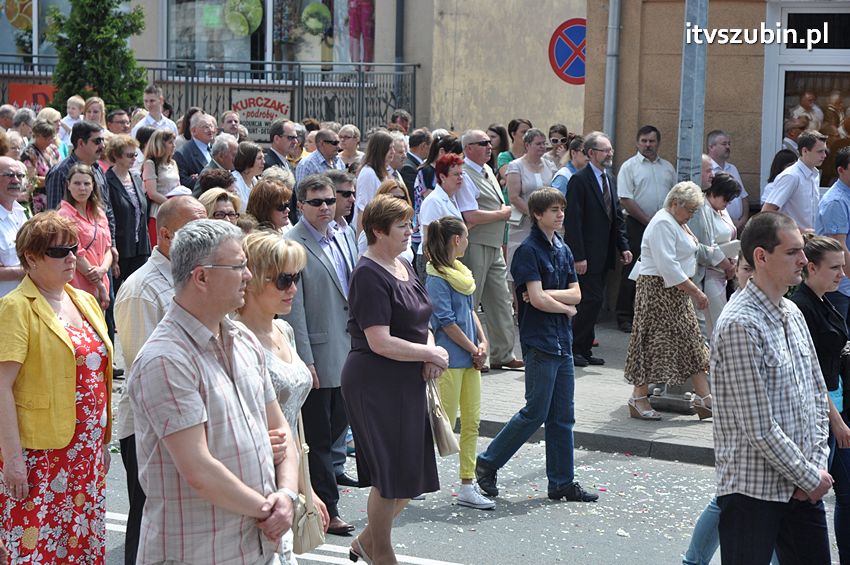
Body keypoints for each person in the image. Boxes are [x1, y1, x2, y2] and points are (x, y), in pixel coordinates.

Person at [127, 219, 299, 563]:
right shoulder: (165, 359)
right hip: (199, 551)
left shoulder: (245, 341)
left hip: (259, 547)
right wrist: (270, 510)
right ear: (201, 277)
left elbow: (282, 432)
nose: (248, 276)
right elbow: (199, 470)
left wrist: (287, 495)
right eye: (238, 267)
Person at [712, 211, 832, 564]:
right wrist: (808, 475)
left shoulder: (793, 312)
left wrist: (815, 466)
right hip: (753, 492)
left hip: (802, 488)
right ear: (761, 257)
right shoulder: (739, 324)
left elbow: (815, 395)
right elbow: (758, 427)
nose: (804, 260)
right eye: (793, 252)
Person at [0, 211, 114, 563]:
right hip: (42, 456)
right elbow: (2, 387)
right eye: (58, 251)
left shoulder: (85, 300)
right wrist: (13, 460)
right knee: (38, 548)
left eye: (73, 248)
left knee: (80, 543)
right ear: (31, 259)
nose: (70, 257)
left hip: (86, 453)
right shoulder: (15, 308)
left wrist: (104, 440)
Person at [341, 194, 447, 564]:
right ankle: (382, 553)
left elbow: (421, 321)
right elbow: (379, 340)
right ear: (377, 230)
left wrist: (430, 351)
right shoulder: (367, 274)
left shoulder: (404, 264)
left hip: (408, 379)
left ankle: (366, 541)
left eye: (410, 223)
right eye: (402, 225)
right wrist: (428, 353)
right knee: (388, 476)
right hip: (376, 381)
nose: (410, 231)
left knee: (408, 474)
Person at [475, 188, 598, 503]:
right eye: (553, 210)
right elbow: (538, 301)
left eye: (562, 209)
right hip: (540, 341)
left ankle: (561, 482)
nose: (560, 214)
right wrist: (561, 304)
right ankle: (487, 463)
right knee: (535, 412)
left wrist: (552, 298)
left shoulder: (563, 248)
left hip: (562, 342)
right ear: (537, 214)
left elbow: (573, 295)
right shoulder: (528, 250)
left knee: (562, 416)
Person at [113, 195, 206, 565]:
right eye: (191, 228)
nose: (202, 235)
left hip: (188, 418)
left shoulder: (193, 277)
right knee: (148, 524)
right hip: (151, 428)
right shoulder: (142, 289)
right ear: (165, 235)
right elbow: (147, 373)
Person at [233, 232, 332, 561]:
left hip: (287, 474)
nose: (293, 289)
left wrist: (305, 487)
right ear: (254, 280)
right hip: (250, 478)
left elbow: (293, 420)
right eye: (284, 280)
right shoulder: (234, 338)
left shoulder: (284, 330)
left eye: (297, 278)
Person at [282, 174, 360, 536]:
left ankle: (321, 497)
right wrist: (305, 359)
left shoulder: (343, 234)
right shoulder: (292, 242)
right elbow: (293, 309)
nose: (326, 207)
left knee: (335, 432)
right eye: (316, 202)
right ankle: (327, 507)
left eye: (330, 200)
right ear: (300, 206)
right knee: (318, 437)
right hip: (316, 352)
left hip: (346, 350)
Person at [623, 182, 712, 420]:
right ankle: (638, 397)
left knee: (692, 342)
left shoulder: (677, 222)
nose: (692, 214)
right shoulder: (663, 222)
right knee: (651, 344)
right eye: (690, 209)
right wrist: (696, 292)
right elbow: (667, 266)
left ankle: (705, 398)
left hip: (675, 292)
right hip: (657, 292)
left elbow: (691, 252)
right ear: (675, 203)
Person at [424, 216, 494, 510]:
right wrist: (474, 348)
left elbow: (470, 309)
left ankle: (467, 484)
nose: (468, 241)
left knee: (472, 423)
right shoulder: (436, 276)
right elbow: (447, 322)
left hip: (469, 359)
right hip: (450, 361)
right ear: (456, 240)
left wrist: (483, 342)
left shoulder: (460, 272)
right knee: (441, 423)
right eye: (465, 236)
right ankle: (415, 475)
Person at [789, 234, 850, 563]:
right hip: (821, 416)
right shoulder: (802, 307)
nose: (842, 273)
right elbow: (810, 374)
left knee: (847, 493)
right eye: (835, 268)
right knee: (806, 498)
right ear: (811, 268)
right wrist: (836, 420)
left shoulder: (825, 300)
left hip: (838, 407)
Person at [564, 131, 632, 367]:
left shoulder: (609, 178)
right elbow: (573, 221)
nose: (610, 153)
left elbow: (616, 217)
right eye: (605, 150)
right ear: (591, 153)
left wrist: (623, 246)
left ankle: (584, 348)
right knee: (589, 301)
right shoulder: (579, 180)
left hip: (604, 255)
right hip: (586, 255)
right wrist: (579, 256)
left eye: (610, 149)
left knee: (594, 301)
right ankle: (575, 348)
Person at [456, 129, 522, 372]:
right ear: (468, 148)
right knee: (471, 301)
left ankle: (503, 354)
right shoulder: (464, 173)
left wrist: (500, 212)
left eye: (488, 142)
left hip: (493, 243)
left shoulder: (485, 170)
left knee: (501, 300)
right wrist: (502, 213)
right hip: (474, 243)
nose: (488, 146)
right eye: (482, 143)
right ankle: (474, 353)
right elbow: (469, 214)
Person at [615, 125, 677, 334]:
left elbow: (675, 197)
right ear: (637, 142)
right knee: (632, 269)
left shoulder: (667, 167)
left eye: (651, 141)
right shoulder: (629, 167)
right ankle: (624, 315)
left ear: (658, 143)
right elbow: (625, 199)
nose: (648, 145)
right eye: (644, 141)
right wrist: (648, 220)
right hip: (635, 224)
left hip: (663, 226)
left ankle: (652, 316)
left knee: (660, 269)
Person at [689, 172, 740, 338]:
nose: (728, 203)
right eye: (726, 199)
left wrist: (733, 264)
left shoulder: (721, 211)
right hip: (710, 273)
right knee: (716, 321)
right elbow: (707, 244)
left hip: (725, 272)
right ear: (715, 192)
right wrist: (727, 265)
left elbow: (733, 237)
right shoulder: (703, 210)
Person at [57, 163, 114, 309]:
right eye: (77, 183)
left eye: (86, 183)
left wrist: (103, 270)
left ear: (93, 186)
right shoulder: (64, 215)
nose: (82, 188)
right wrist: (99, 285)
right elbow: (77, 254)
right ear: (68, 185)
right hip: (78, 285)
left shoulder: (99, 213)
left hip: (102, 280)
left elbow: (108, 248)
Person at [505, 128, 556, 271]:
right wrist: (534, 216)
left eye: (544, 143)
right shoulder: (516, 165)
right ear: (527, 145)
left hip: (545, 223)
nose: (542, 147)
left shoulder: (549, 165)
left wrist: (546, 217)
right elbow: (514, 197)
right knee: (520, 265)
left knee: (542, 264)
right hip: (523, 223)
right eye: (538, 144)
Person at [104, 134, 150, 287]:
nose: (134, 159)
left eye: (135, 154)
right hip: (121, 249)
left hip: (140, 247)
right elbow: (108, 218)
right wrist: (112, 250)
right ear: (116, 156)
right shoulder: (106, 181)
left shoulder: (136, 178)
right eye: (129, 155)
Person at [763, 130, 828, 231]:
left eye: (824, 151)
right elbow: (767, 211)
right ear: (805, 151)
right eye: (820, 151)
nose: (824, 155)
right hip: (791, 240)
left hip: (809, 239)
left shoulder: (814, 174)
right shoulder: (791, 176)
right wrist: (799, 231)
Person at [416, 153, 465, 282]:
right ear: (442, 177)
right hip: (433, 262)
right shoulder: (434, 201)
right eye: (456, 174)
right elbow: (428, 239)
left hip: (447, 260)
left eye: (461, 174)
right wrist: (438, 267)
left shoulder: (452, 198)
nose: (460, 178)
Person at [817, 147, 850, 319]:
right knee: (839, 341)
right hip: (840, 287)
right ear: (841, 170)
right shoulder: (837, 201)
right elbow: (838, 247)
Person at [141, 128, 180, 245]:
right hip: (158, 213)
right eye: (170, 143)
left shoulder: (173, 163)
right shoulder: (150, 164)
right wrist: (170, 205)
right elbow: (152, 193)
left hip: (175, 211)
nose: (174, 146)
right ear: (160, 145)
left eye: (174, 142)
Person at [706, 130, 749, 232]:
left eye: (729, 144)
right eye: (724, 144)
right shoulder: (706, 169)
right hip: (718, 226)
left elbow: (743, 196)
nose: (728, 147)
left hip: (739, 226)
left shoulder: (732, 168)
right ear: (711, 147)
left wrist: (744, 219)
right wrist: (729, 221)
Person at [354, 129, 396, 231]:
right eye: (389, 148)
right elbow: (363, 209)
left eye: (393, 148)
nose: (393, 152)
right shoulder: (368, 173)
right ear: (380, 149)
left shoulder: (385, 172)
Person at [20, 119, 60, 214]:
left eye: (52, 137)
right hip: (38, 201)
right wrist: (54, 180)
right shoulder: (29, 153)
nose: (50, 140)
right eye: (46, 137)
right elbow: (32, 180)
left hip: (55, 196)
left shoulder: (53, 150)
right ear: (36, 136)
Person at [0, 156, 27, 297]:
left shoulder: (21, 214)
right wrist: (30, 269)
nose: (16, 180)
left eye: (20, 175)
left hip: (22, 303)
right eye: (9, 175)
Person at [174, 112, 216, 191]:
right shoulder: (182, 154)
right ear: (193, 131)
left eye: (211, 126)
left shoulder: (216, 149)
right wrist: (198, 179)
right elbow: (183, 183)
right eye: (205, 127)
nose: (210, 130)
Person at [232, 141, 265, 211]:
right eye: (259, 158)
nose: (263, 162)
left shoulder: (255, 181)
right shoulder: (233, 182)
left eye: (263, 158)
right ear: (248, 160)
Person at [497, 118, 532, 182]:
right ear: (513, 134)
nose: (528, 136)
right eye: (524, 132)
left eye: (529, 132)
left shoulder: (534, 155)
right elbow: (511, 179)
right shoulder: (504, 157)